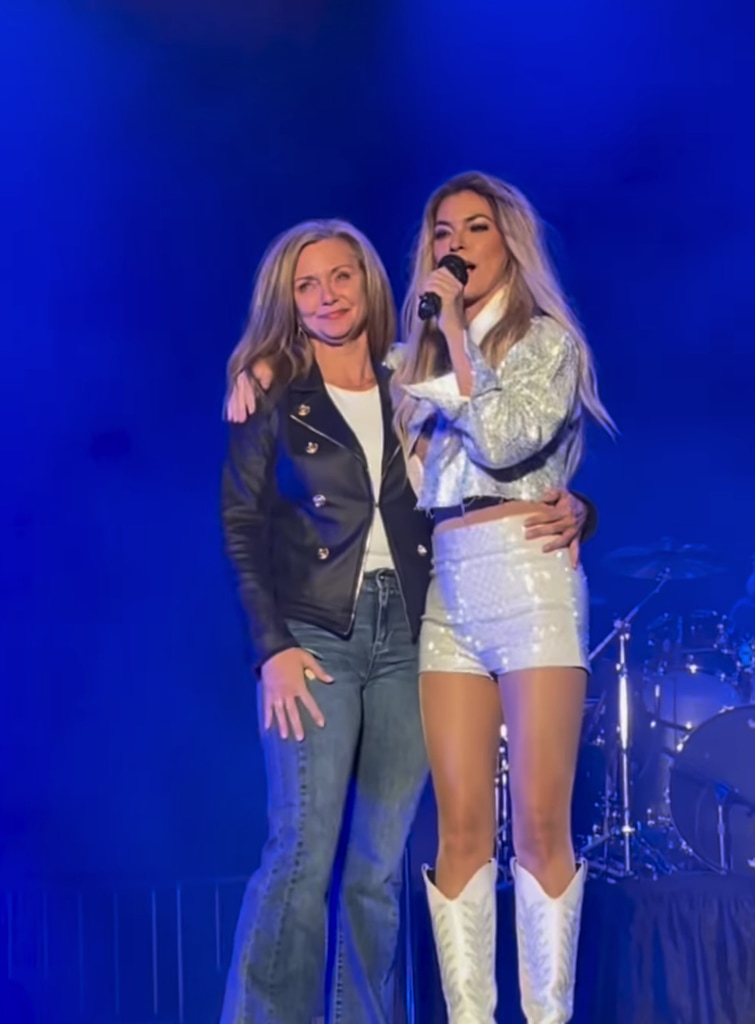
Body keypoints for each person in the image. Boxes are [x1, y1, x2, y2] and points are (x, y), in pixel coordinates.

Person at [221, 216, 594, 1024]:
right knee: (298, 854)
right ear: (288, 303)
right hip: (315, 633)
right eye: (306, 286)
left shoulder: (408, 374)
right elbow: (241, 523)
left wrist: (579, 508)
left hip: (413, 629)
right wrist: (270, 649)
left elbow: (491, 467)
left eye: (340, 277)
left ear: (369, 282)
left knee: (379, 865)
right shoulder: (274, 392)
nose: (326, 296)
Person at [390, 171, 615, 1024]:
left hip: (529, 578)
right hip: (450, 591)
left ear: (507, 242)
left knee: (537, 829)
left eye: (474, 228)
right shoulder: (416, 364)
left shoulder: (547, 344)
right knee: (456, 833)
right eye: (441, 231)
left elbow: (510, 436)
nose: (454, 245)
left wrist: (454, 332)